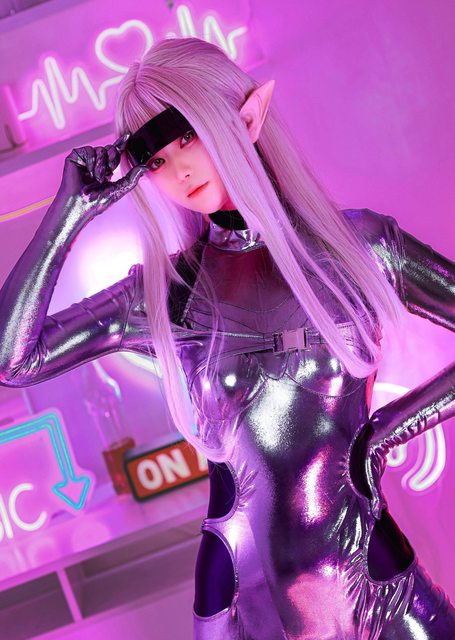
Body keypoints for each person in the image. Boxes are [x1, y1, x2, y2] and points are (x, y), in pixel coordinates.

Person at [0, 36, 454, 640]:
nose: (178, 171)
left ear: (248, 117)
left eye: (188, 136)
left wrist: (381, 432)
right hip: (247, 611)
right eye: (155, 161)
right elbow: (14, 360)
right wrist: (68, 213)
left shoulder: (358, 246)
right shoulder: (166, 295)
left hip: (383, 592)